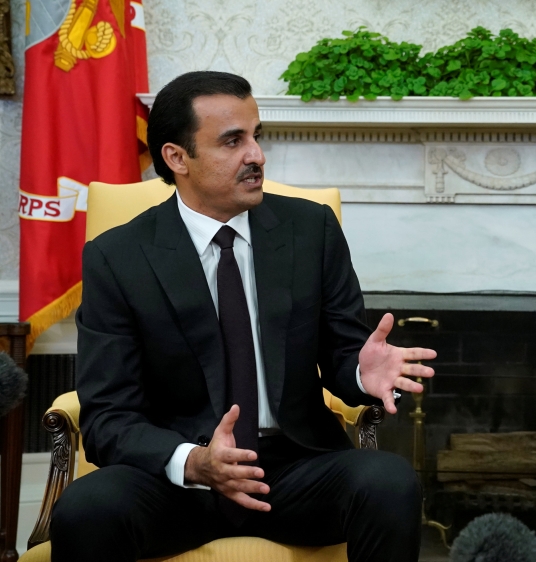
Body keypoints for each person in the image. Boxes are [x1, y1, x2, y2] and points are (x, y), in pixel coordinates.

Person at [50, 71, 436, 562]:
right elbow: (107, 415)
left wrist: (362, 371)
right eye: (233, 141)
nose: (256, 155)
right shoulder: (118, 257)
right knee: (85, 510)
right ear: (176, 158)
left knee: (389, 482)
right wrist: (193, 462)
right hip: (178, 480)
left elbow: (343, 352)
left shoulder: (309, 230)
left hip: (294, 469)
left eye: (256, 136)